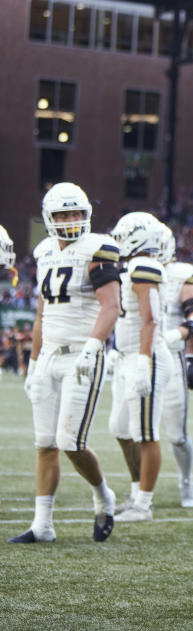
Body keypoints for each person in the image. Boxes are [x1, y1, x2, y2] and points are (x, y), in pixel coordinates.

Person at [10, 183, 120, 544]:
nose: (71, 221)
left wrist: (92, 347)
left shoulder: (98, 248)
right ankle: (43, 525)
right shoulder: (43, 252)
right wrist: (34, 362)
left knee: (69, 441)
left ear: (86, 214)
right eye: (63, 214)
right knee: (45, 443)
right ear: (49, 218)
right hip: (49, 357)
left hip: (81, 355)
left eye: (76, 213)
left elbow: (111, 306)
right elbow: (42, 315)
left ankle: (104, 495)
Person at [107, 212, 174, 523]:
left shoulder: (143, 266)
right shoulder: (133, 267)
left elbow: (149, 320)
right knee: (121, 428)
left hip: (145, 357)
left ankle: (144, 505)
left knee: (146, 433)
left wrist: (144, 361)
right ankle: (136, 492)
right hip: (127, 356)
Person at [157, 222, 193, 507]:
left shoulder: (181, 274)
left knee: (176, 435)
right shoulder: (128, 275)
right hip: (136, 357)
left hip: (170, 355)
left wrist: (184, 348)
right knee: (127, 431)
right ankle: (140, 490)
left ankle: (186, 480)